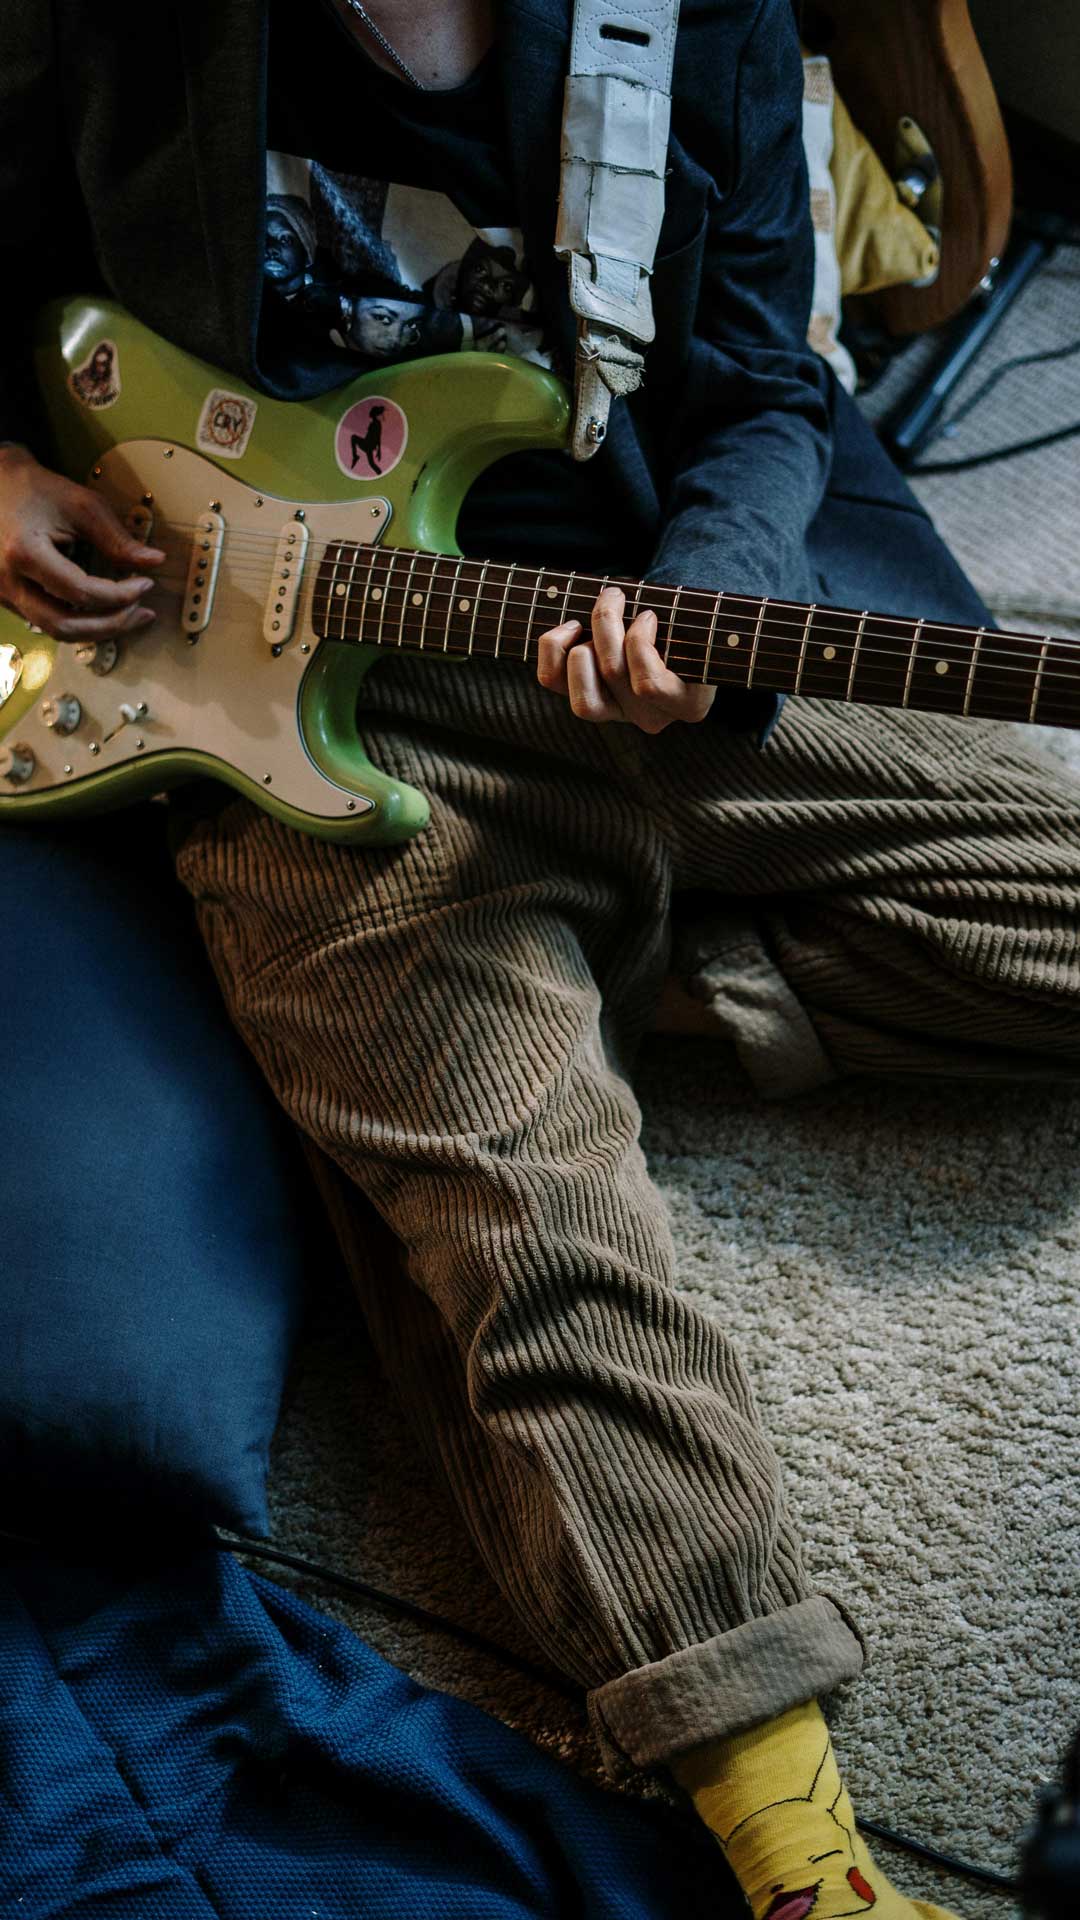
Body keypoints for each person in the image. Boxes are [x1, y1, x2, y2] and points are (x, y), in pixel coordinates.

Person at [2, 3, 1078, 1916]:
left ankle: (654, 976)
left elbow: (761, 380)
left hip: (631, 638)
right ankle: (807, 1861)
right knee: (526, 1228)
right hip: (310, 728)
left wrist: (723, 602)